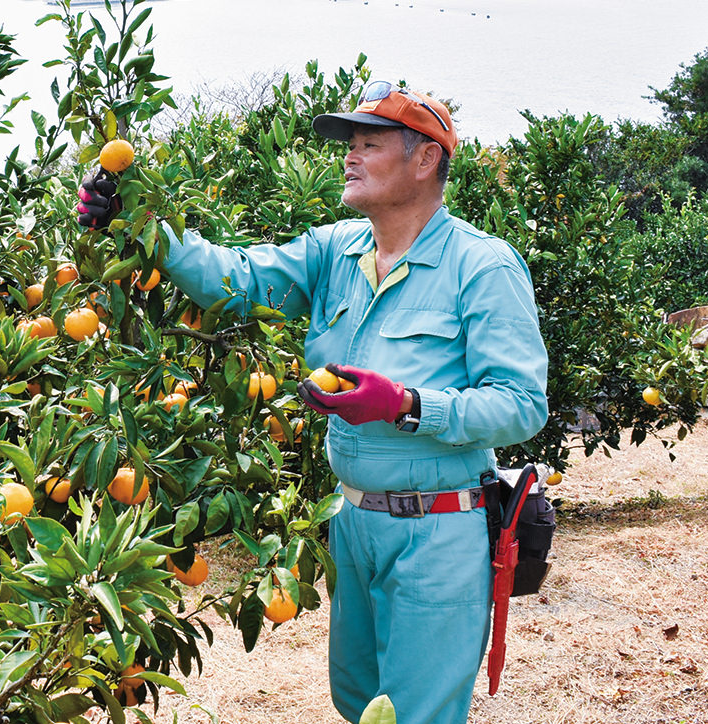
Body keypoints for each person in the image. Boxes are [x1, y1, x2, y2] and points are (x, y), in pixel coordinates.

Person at [76, 80, 549, 724]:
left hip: (439, 528)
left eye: (369, 144)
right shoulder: (336, 251)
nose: (350, 157)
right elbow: (234, 279)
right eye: (349, 145)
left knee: (417, 713)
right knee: (357, 701)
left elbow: (521, 405)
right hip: (353, 521)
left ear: (426, 158)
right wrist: (142, 221)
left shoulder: (481, 267)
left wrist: (407, 405)